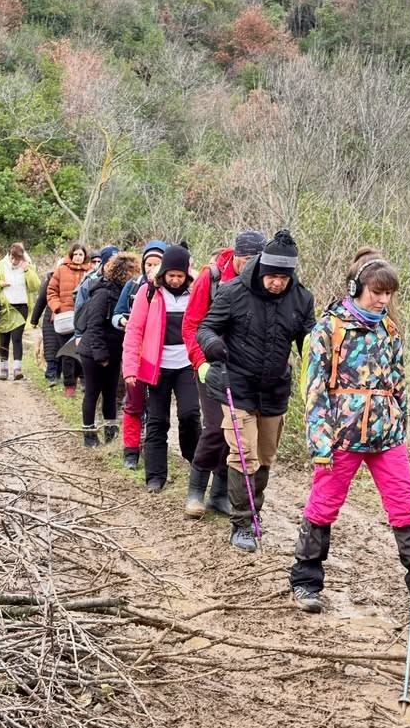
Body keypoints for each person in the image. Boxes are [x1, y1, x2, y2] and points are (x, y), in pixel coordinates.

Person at [291, 248, 410, 613]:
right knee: (324, 505)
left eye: (388, 293)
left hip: (387, 437)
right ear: (357, 287)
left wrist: (399, 422)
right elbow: (314, 389)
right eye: (376, 292)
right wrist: (320, 442)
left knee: (406, 506)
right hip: (341, 436)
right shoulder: (329, 329)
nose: (383, 300)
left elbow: (398, 382)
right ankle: (306, 579)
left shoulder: (389, 329)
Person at [196, 230, 315, 552]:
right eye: (272, 276)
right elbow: (205, 327)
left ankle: (254, 510)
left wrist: (318, 363)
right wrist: (213, 345)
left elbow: (309, 341)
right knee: (243, 453)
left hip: (275, 389)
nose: (277, 283)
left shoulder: (302, 298)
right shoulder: (233, 291)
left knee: (264, 456)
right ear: (262, 268)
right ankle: (242, 522)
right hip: (237, 384)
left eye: (283, 277)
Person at [182, 230, 266, 518]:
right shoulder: (212, 276)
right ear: (237, 255)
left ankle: (219, 494)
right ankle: (195, 489)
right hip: (210, 364)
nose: (252, 266)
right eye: (247, 260)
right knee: (216, 427)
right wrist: (199, 361)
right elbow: (191, 324)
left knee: (237, 435)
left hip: (245, 370)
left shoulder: (266, 282)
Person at [122, 245, 201, 492]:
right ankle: (155, 477)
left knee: (190, 415)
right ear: (164, 273)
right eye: (171, 275)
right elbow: (134, 330)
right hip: (157, 367)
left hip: (187, 365)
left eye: (180, 276)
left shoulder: (195, 293)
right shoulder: (148, 293)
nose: (175, 280)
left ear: (187, 275)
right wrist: (130, 368)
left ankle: (194, 459)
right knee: (157, 421)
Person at [113, 240, 168, 470]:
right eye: (148, 263)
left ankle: (151, 447)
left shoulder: (171, 291)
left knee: (156, 408)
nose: (151, 268)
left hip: (160, 360)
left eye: (157, 264)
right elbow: (116, 314)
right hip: (136, 355)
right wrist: (122, 320)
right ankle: (130, 452)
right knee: (134, 404)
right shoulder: (134, 286)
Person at [79, 252, 139, 447]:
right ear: (122, 272)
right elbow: (94, 325)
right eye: (131, 272)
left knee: (111, 393)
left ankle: (111, 433)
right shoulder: (103, 292)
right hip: (93, 352)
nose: (134, 275)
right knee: (92, 393)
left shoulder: (126, 294)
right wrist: (101, 356)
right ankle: (89, 435)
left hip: (114, 353)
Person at [0, 244, 41, 381]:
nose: (14, 261)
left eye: (17, 259)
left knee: (17, 338)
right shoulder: (0, 266)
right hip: (4, 307)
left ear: (22, 258)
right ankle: (4, 369)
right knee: (4, 339)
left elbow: (35, 286)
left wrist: (27, 271)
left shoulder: (28, 267)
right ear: (9, 255)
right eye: (12, 258)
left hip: (21, 307)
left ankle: (17, 369)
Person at [47, 243, 92, 397]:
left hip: (83, 318)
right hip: (64, 317)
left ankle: (84, 381)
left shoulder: (91, 272)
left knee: (83, 351)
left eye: (81, 254)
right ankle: (69, 384)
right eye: (76, 254)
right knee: (67, 353)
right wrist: (57, 307)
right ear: (71, 255)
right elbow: (51, 290)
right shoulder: (61, 270)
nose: (78, 257)